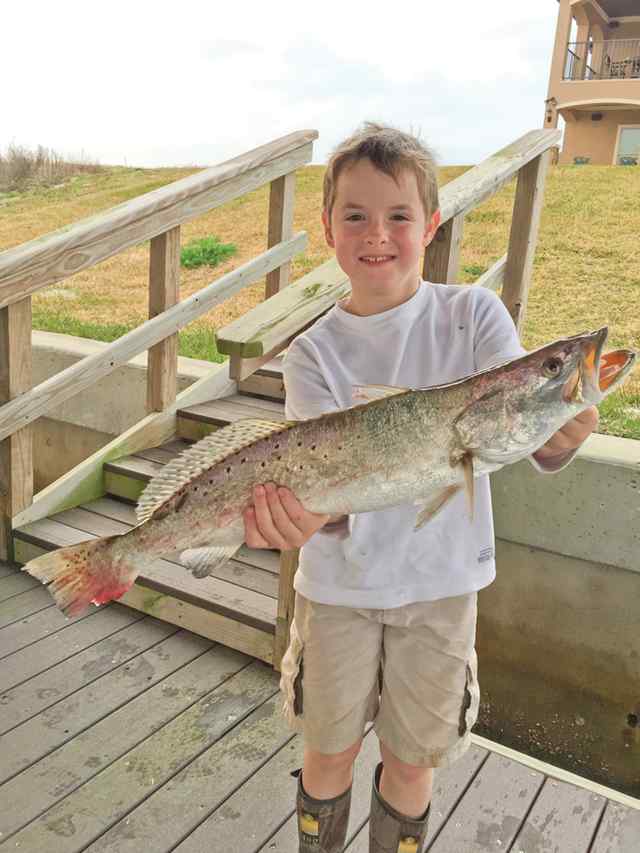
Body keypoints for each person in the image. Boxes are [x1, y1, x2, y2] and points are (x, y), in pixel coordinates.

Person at [242, 122, 598, 853]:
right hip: (337, 592)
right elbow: (316, 497)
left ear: (430, 225)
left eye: (400, 216)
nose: (379, 234)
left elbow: (512, 410)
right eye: (356, 216)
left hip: (443, 591)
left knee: (412, 760)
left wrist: (557, 432)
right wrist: (289, 521)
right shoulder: (310, 354)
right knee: (328, 750)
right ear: (328, 230)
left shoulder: (473, 314)